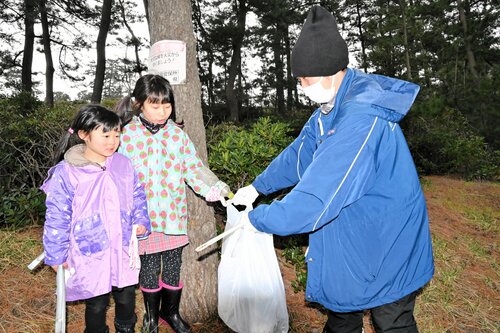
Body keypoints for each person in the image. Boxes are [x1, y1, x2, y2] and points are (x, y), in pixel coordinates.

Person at [230, 6, 434, 333]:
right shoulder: (330, 108)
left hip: (388, 235)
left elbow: (315, 201)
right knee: (341, 311)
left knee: (390, 317)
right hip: (355, 228)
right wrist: (257, 187)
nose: (301, 85)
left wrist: (257, 219)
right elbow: (300, 155)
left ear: (328, 70)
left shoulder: (360, 117)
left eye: (304, 78)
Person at [115, 74, 230, 333]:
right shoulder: (126, 135)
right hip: (143, 219)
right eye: (155, 106)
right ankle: (151, 317)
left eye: (166, 106)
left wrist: (217, 188)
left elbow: (194, 167)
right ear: (139, 104)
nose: (162, 112)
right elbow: (115, 174)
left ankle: (171, 312)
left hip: (173, 216)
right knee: (150, 267)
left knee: (173, 266)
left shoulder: (177, 136)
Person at [41, 105, 151, 333]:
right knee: (97, 302)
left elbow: (137, 194)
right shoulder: (67, 171)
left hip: (121, 247)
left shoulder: (123, 164)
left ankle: (126, 329)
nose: (113, 141)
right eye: (106, 134)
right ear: (84, 134)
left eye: (117, 135)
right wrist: (55, 254)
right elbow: (57, 216)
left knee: (126, 297)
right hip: (90, 249)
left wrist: (140, 220)